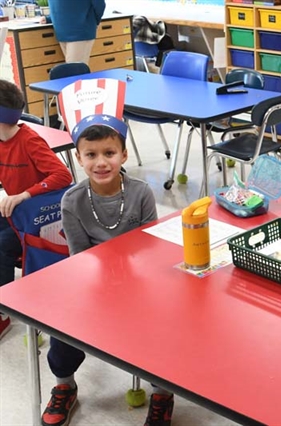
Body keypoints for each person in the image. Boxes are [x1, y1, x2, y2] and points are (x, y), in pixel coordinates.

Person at [41, 78, 172, 426]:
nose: (101, 162)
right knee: (63, 325)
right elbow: (79, 256)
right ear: (79, 158)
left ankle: (162, 391)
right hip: (93, 281)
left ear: (124, 154)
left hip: (140, 280)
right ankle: (65, 385)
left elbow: (150, 246)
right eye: (91, 155)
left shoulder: (142, 193)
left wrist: (133, 282)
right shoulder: (72, 200)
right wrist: (105, 287)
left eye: (109, 153)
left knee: (162, 326)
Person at [0, 80, 73, 340]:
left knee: (1, 247)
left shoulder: (29, 140)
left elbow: (62, 175)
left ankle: (3, 311)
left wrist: (24, 194)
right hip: (13, 208)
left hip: (32, 214)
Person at [48, 0, 106, 64]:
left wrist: (95, 21)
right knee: (73, 70)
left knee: (75, 71)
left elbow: (100, 5)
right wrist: (49, 18)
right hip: (62, 32)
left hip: (80, 32)